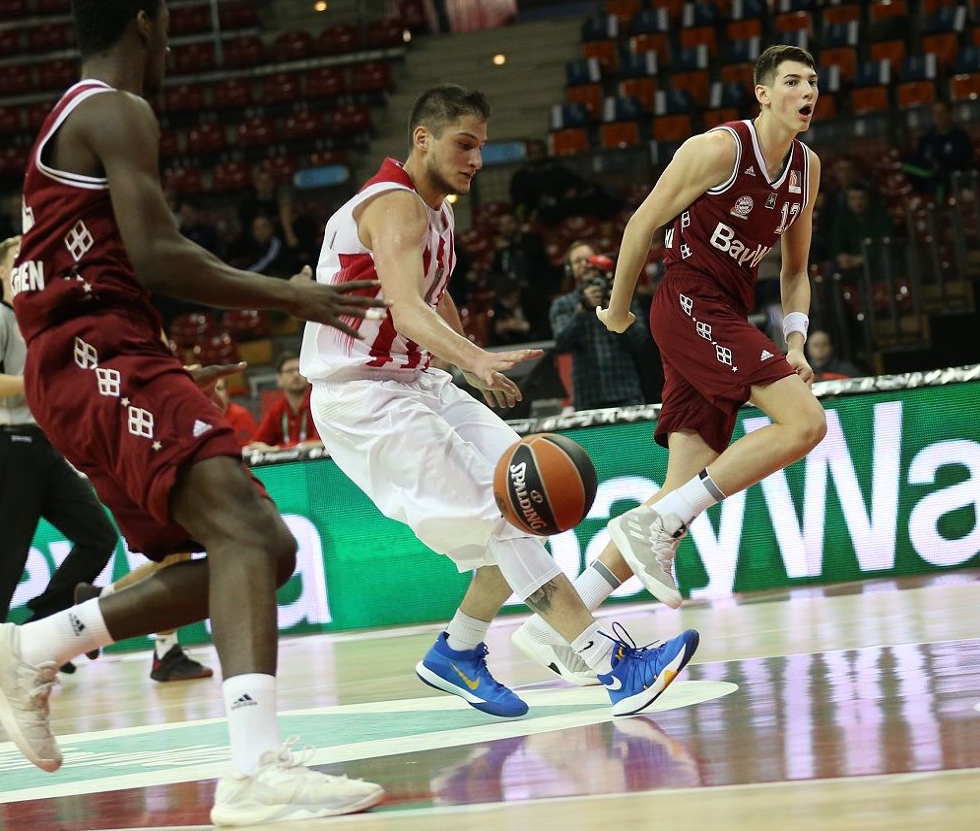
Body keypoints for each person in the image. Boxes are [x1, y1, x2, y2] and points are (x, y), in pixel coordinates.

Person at [0, 0, 385, 825]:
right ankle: (254, 771)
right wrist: (293, 294)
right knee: (243, 530)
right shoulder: (117, 110)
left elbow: (117, 263)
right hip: (95, 357)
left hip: (102, 357)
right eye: (168, 20)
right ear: (148, 20)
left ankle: (31, 646)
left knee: (264, 551)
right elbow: (158, 254)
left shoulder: (72, 116)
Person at [302, 84, 699, 718]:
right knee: (503, 516)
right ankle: (611, 663)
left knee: (526, 500)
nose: (477, 159)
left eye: (482, 146)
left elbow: (432, 294)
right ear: (422, 139)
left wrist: (465, 362)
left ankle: (456, 653)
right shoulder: (392, 205)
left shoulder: (439, 209)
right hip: (364, 394)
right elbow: (404, 309)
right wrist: (474, 359)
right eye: (465, 144)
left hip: (418, 383)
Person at [515, 44, 828, 671]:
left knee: (679, 488)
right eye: (792, 81)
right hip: (688, 299)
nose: (807, 91)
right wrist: (619, 309)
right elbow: (641, 225)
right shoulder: (717, 150)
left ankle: (557, 630)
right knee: (805, 423)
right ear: (763, 93)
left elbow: (796, 270)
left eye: (814, 82)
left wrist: (794, 341)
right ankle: (657, 524)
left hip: (728, 313)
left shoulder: (807, 168)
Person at [0, 236, 119, 694]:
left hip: (45, 446)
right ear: (0, 271)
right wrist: (35, 381)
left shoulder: (43, 320)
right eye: (17, 257)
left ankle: (41, 629)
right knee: (6, 557)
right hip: (13, 445)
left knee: (99, 536)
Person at [549, 242, 648, 411]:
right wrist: (582, 310)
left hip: (626, 392)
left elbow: (640, 340)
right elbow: (561, 344)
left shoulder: (621, 298)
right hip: (586, 396)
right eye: (578, 261)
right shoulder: (563, 304)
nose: (585, 264)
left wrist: (617, 312)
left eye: (589, 259)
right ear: (570, 270)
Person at [244, 355, 322, 454]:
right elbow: (257, 445)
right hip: (289, 468)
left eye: (299, 369)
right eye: (289, 371)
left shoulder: (319, 405)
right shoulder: (277, 411)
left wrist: (277, 449)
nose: (295, 374)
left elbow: (322, 443)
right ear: (279, 379)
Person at [821, 180, 898, 275]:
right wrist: (841, 256)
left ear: (869, 199)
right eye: (853, 198)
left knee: (885, 263)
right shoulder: (842, 218)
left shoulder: (882, 216)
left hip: (874, 262)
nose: (858, 202)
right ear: (848, 201)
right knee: (830, 269)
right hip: (850, 262)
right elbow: (837, 245)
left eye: (862, 198)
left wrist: (863, 259)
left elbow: (885, 245)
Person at [903, 101, 975, 198]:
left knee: (937, 178)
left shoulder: (960, 137)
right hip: (925, 176)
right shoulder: (926, 138)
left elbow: (962, 161)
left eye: (942, 112)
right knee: (906, 165)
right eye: (935, 113)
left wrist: (940, 162)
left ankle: (937, 208)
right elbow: (919, 158)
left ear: (950, 114)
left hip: (949, 177)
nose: (938, 116)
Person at [211, 374, 258, 439]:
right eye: (210, 390)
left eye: (219, 388)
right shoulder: (201, 416)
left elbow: (244, 446)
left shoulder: (240, 414)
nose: (215, 394)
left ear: (227, 391)